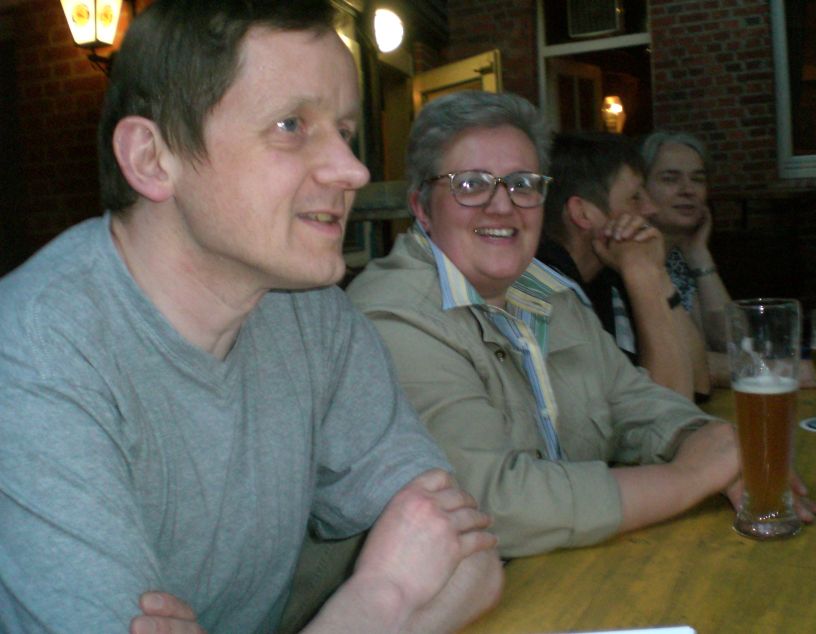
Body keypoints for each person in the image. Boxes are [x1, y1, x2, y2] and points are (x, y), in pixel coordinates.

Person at [0, 2, 503, 633]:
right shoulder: (33, 354)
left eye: (344, 132)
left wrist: (386, 597)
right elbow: (416, 578)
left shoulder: (312, 315)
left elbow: (469, 558)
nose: (353, 170)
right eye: (292, 126)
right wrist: (381, 598)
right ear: (152, 158)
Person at [346, 90, 816, 558]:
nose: (503, 205)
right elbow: (490, 504)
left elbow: (632, 398)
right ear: (422, 206)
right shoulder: (393, 317)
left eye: (522, 183)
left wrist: (703, 439)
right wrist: (690, 476)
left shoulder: (544, 290)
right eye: (470, 185)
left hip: (579, 567)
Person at [536, 132, 710, 401]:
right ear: (583, 213)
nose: (651, 209)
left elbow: (699, 383)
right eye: (635, 198)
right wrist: (643, 276)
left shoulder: (609, 274)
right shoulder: (547, 294)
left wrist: (657, 274)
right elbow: (669, 407)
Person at [641, 130, 816, 388]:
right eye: (670, 179)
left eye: (698, 179)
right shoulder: (629, 257)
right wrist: (788, 372)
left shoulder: (679, 256)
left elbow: (734, 342)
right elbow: (681, 364)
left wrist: (699, 255)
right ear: (640, 190)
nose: (688, 190)